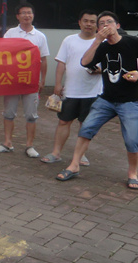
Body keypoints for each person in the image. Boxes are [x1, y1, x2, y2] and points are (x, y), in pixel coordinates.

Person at [56, 11, 138, 189]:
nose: (105, 26)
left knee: (132, 139)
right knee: (86, 128)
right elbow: (85, 62)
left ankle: (132, 173)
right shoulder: (102, 47)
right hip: (107, 99)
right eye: (101, 23)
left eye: (109, 22)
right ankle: (74, 165)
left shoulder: (133, 42)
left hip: (132, 100)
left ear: (117, 25)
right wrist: (97, 40)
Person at [40, 10, 101, 165]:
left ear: (97, 25)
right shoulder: (69, 40)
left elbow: (109, 66)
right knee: (63, 122)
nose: (88, 24)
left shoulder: (103, 43)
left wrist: (100, 70)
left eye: (92, 22)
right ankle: (56, 153)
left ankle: (81, 155)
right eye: (85, 21)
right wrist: (58, 84)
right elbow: (61, 63)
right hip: (71, 91)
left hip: (93, 92)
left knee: (85, 125)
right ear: (79, 22)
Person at [0, 3, 49, 157]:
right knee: (8, 113)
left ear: (33, 15)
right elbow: (2, 55)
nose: (27, 16)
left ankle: (30, 146)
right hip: (12, 81)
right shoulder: (10, 33)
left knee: (31, 115)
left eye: (29, 13)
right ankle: (7, 143)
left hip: (31, 82)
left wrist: (42, 80)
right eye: (23, 13)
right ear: (17, 16)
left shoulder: (40, 36)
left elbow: (44, 60)